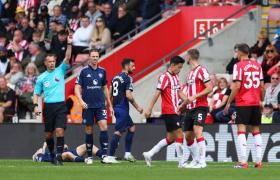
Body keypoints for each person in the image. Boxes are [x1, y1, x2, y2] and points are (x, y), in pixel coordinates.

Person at [33, 34, 72, 166]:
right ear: (45, 63)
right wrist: (36, 106)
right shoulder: (41, 78)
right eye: (49, 61)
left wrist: (69, 44)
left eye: (53, 61)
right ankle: (52, 155)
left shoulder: (60, 70)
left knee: (60, 131)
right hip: (48, 107)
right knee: (49, 135)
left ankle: (59, 157)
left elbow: (67, 57)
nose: (52, 63)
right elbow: (36, 94)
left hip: (60, 106)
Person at [224, 43, 265, 168]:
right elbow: (262, 86)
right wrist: (261, 101)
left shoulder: (238, 66)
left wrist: (228, 102)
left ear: (241, 52)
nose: (235, 54)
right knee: (256, 131)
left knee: (241, 131)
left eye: (236, 51)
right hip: (255, 102)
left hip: (243, 102)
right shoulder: (258, 66)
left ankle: (243, 162)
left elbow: (237, 86)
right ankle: (258, 162)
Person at [143, 56, 187, 167]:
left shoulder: (176, 77)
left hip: (175, 111)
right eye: (179, 67)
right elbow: (157, 93)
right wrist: (149, 108)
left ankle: (149, 153)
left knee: (171, 138)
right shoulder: (164, 77)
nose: (180, 70)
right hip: (169, 111)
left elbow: (179, 92)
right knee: (180, 134)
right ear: (172, 65)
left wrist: (188, 100)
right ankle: (181, 163)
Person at [75, 49, 113, 165]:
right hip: (88, 106)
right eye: (93, 56)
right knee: (89, 130)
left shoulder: (103, 71)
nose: (95, 58)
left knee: (104, 126)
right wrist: (81, 101)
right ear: (89, 57)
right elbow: (77, 87)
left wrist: (110, 104)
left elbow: (105, 88)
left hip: (100, 105)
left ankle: (105, 156)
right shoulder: (83, 71)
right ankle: (90, 157)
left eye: (97, 56)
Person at [178, 49, 213, 168]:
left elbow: (210, 88)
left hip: (201, 106)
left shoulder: (202, 70)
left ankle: (203, 162)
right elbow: (188, 94)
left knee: (198, 131)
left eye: (186, 55)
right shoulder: (189, 74)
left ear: (189, 56)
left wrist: (196, 96)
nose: (185, 57)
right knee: (188, 136)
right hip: (190, 108)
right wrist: (182, 105)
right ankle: (196, 159)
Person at [108, 58, 143, 163]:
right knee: (119, 132)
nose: (134, 68)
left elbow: (109, 94)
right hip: (122, 108)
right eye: (132, 66)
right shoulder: (128, 78)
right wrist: (137, 107)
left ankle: (127, 154)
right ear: (127, 66)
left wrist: (110, 106)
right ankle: (109, 156)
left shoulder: (115, 77)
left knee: (132, 128)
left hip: (117, 107)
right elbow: (128, 95)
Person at [32, 142, 111, 163]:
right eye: (37, 151)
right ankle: (85, 160)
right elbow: (36, 157)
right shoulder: (42, 157)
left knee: (87, 145)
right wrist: (43, 146)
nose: (38, 150)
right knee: (67, 154)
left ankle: (104, 157)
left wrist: (64, 146)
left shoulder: (47, 153)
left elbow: (66, 146)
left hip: (70, 151)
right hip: (59, 157)